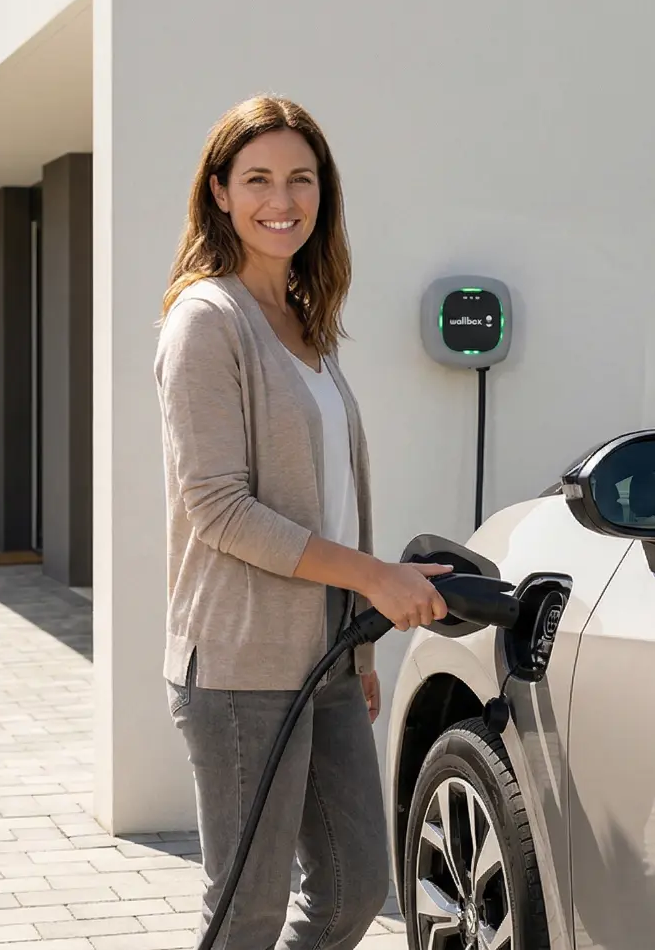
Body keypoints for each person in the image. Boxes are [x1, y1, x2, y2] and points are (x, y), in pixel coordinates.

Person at [154, 94, 452, 950]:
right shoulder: (206, 321)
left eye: (300, 178)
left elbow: (335, 496)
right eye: (256, 179)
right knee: (245, 911)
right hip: (241, 665)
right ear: (218, 191)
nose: (279, 198)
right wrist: (373, 580)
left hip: (323, 658)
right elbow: (216, 506)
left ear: (323, 193)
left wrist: (355, 645)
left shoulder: (306, 323)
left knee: (357, 887)